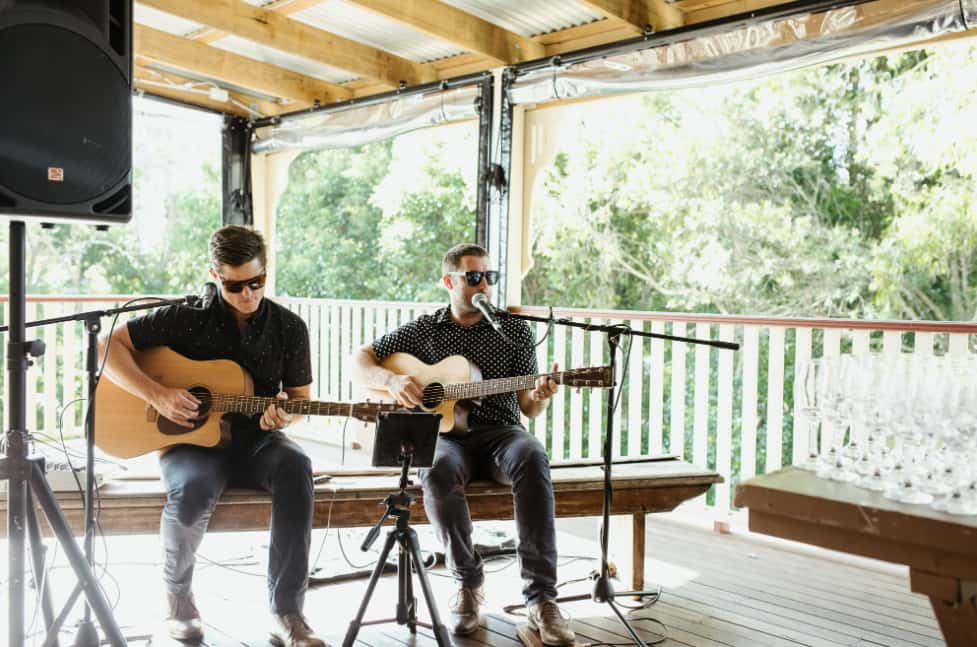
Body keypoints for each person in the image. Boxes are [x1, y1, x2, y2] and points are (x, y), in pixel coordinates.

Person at [99, 226, 324, 647]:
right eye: (234, 285)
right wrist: (158, 395)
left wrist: (283, 417)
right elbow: (106, 344)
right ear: (215, 275)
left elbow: (299, 400)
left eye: (256, 283)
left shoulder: (289, 327)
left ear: (265, 273)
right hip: (190, 443)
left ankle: (287, 611)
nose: (247, 295)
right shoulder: (186, 318)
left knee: (297, 466)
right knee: (192, 489)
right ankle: (178, 602)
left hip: (257, 441)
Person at [350, 243, 576, 645]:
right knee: (435, 469)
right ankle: (468, 582)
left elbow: (528, 407)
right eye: (474, 277)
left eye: (490, 277)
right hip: (444, 436)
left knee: (533, 454)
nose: (484, 285)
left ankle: (541, 598)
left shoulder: (512, 330)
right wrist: (391, 380)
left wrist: (541, 395)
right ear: (448, 281)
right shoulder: (424, 330)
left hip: (500, 434)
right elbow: (361, 359)